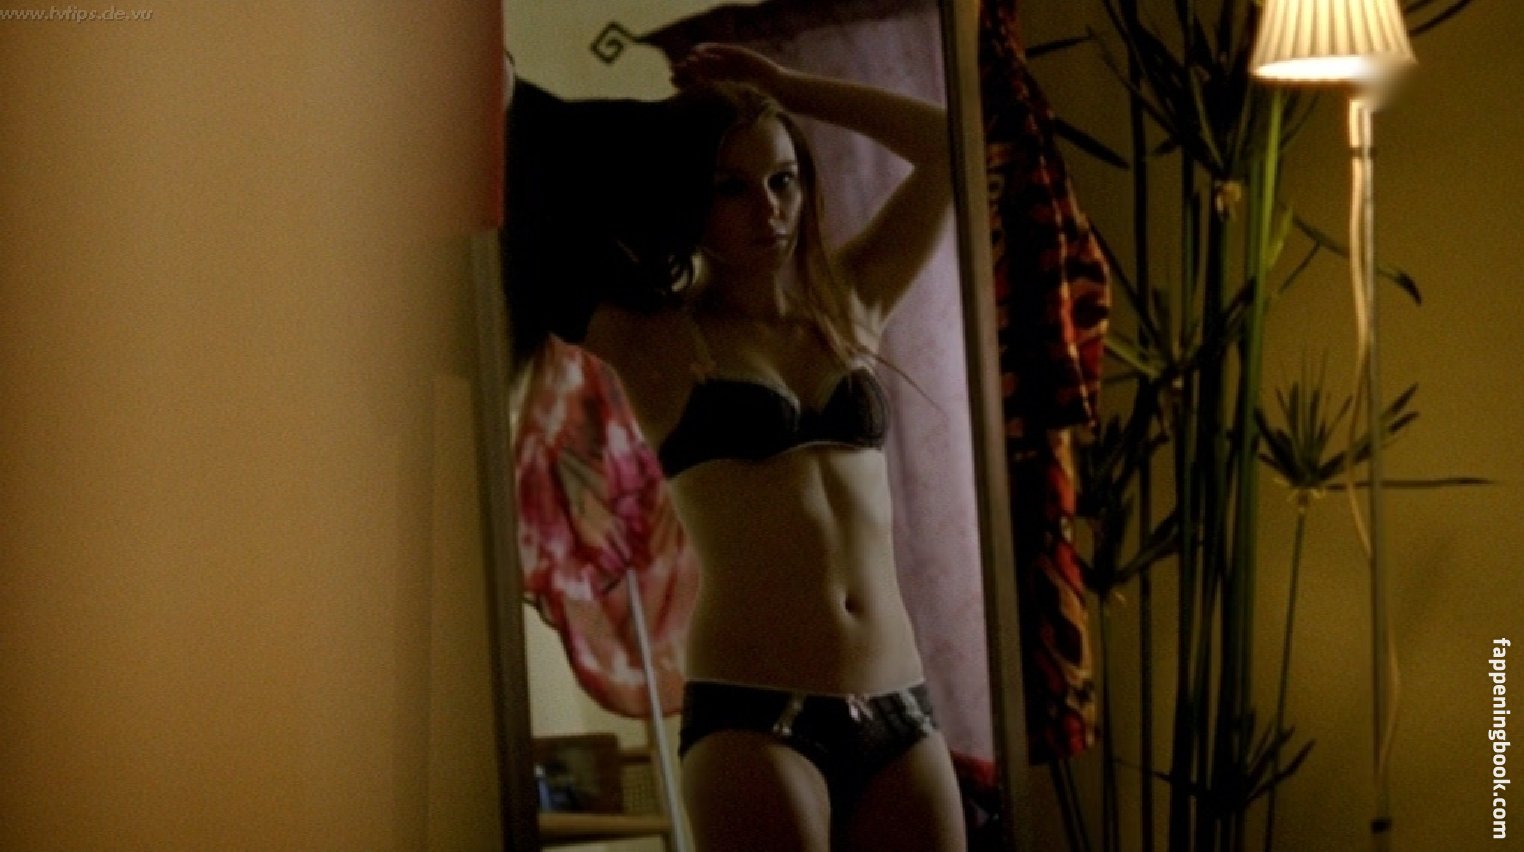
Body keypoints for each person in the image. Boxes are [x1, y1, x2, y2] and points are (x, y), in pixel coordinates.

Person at [553, 43, 962, 852]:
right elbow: (529, 231)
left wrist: (790, 88)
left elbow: (951, 147)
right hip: (755, 717)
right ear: (689, 200)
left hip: (900, 709)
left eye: (784, 180)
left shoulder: (853, 301)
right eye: (730, 188)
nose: (768, 209)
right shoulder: (658, 340)